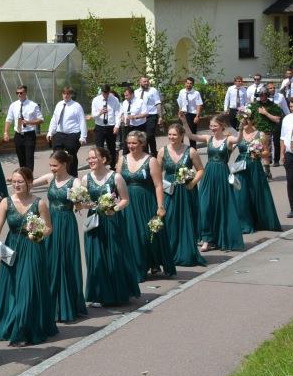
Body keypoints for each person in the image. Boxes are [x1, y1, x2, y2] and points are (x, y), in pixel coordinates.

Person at [0, 167, 57, 346]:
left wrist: (39, 234)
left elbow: (49, 227)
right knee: (11, 287)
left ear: (29, 182)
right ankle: (10, 324)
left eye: (20, 181)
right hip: (10, 248)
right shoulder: (6, 202)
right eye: (13, 181)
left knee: (28, 287)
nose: (16, 185)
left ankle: (23, 330)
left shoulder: (39, 203)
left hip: (33, 247)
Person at [30, 150, 87, 322]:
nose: (52, 168)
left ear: (64, 164)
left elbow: (82, 204)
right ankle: (50, 302)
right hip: (50, 221)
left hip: (66, 223)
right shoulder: (50, 178)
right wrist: (20, 180)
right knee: (50, 260)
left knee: (65, 260)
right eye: (51, 165)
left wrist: (79, 202)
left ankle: (67, 304)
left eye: (55, 165)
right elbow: (31, 183)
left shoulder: (75, 181)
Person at [80, 148, 138, 307]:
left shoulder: (116, 177)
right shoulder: (86, 179)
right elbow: (83, 202)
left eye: (94, 158)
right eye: (89, 159)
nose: (91, 161)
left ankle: (117, 293)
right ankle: (98, 293)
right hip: (94, 222)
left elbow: (125, 200)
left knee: (114, 255)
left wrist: (115, 209)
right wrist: (81, 204)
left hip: (112, 222)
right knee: (96, 257)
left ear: (104, 159)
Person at [180, 114, 246, 251]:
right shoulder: (208, 138)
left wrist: (241, 127)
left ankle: (222, 238)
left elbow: (239, 139)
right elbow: (191, 136)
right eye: (211, 126)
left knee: (222, 206)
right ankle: (206, 239)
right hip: (209, 174)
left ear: (222, 126)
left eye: (215, 126)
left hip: (222, 174)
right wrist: (184, 121)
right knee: (205, 206)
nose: (212, 128)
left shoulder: (228, 140)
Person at [120, 130, 176, 279]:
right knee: (132, 235)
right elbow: (117, 182)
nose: (131, 146)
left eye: (134, 143)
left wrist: (160, 206)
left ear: (142, 144)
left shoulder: (150, 161)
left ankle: (154, 262)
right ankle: (137, 268)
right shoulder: (122, 160)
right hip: (128, 203)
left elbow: (158, 185)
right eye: (129, 143)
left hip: (146, 201)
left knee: (147, 235)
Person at [158, 123, 206, 267]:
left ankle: (186, 253)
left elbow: (200, 170)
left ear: (181, 136)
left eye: (174, 135)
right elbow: (157, 173)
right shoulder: (162, 151)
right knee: (169, 220)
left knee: (186, 220)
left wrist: (192, 183)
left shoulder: (191, 151)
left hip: (186, 191)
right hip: (169, 190)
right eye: (169, 134)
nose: (171, 137)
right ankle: (169, 253)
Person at [232, 114, 282, 232]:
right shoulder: (238, 134)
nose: (243, 122)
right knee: (240, 194)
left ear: (252, 120)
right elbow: (230, 149)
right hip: (240, 166)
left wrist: (258, 154)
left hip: (255, 166)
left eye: (246, 120)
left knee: (257, 193)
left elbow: (266, 153)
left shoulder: (261, 134)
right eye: (242, 120)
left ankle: (261, 221)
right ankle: (244, 223)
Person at [46, 87, 86, 177]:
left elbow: (82, 121)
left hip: (73, 134)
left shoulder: (76, 106)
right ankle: (58, 174)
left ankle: (72, 176)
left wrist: (83, 136)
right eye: (64, 93)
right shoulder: (59, 104)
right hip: (60, 133)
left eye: (68, 94)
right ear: (62, 94)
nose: (66, 95)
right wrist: (50, 132)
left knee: (71, 154)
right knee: (56, 154)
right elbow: (54, 119)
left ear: (71, 95)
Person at [3, 85, 43, 172]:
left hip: (29, 135)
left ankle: (29, 180)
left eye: (21, 93)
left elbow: (40, 120)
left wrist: (29, 122)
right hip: (18, 134)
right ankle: (23, 177)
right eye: (17, 93)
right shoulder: (13, 105)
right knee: (21, 158)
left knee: (29, 158)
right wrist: (6, 132)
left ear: (25, 93)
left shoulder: (33, 105)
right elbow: (9, 119)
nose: (19, 94)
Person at [90, 84, 121, 169]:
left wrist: (117, 126)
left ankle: (112, 166)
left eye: (107, 93)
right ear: (101, 92)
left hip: (111, 126)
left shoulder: (115, 100)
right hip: (100, 126)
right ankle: (100, 166)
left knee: (112, 148)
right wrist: (100, 112)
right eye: (104, 93)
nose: (106, 95)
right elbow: (93, 114)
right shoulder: (96, 100)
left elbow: (118, 113)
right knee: (99, 148)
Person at [137, 76, 162, 154]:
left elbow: (158, 103)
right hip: (141, 117)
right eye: (144, 81)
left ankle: (154, 153)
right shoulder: (136, 92)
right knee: (143, 136)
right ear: (140, 82)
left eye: (147, 81)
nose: (146, 83)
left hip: (151, 115)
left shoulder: (153, 90)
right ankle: (146, 153)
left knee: (150, 135)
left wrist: (160, 116)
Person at [177, 78, 203, 150]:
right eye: (187, 83)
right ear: (185, 84)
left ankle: (193, 149)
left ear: (193, 84)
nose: (189, 85)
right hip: (183, 114)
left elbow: (199, 105)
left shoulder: (196, 93)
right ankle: (180, 148)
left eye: (190, 83)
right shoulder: (181, 92)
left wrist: (197, 116)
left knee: (191, 133)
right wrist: (179, 111)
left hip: (191, 114)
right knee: (180, 131)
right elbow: (180, 103)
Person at [267, 82, 287, 166]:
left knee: (276, 141)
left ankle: (276, 160)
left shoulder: (280, 96)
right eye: (270, 88)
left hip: (278, 120)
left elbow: (285, 108)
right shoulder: (264, 97)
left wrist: (289, 119)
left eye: (273, 88)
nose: (272, 89)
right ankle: (268, 158)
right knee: (267, 141)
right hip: (267, 120)